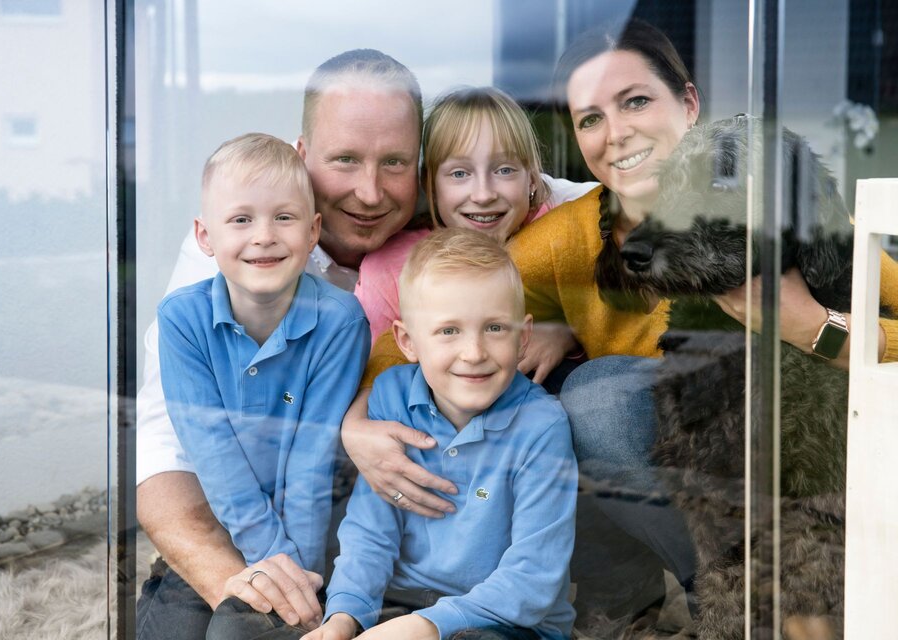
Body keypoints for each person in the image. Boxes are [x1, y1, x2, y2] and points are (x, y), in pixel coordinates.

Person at [340, 19, 898, 637]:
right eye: (590, 118)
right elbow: (423, 330)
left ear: (688, 104)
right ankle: (728, 606)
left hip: (823, 472)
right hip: (699, 484)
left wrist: (815, 327)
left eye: (635, 101)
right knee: (599, 400)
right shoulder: (563, 241)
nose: (617, 133)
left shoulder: (768, 200)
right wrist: (356, 422)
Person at [136, 49, 423, 640]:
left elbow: (551, 188)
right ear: (302, 155)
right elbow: (174, 441)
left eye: (394, 163)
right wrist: (267, 581)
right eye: (345, 159)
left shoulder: (452, 221)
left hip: (366, 523)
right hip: (234, 518)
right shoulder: (215, 268)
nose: (370, 192)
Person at [208, 228, 578, 640]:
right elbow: (372, 529)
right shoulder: (391, 397)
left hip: (499, 621)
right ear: (407, 341)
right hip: (395, 605)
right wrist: (344, 617)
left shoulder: (541, 424)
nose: (474, 352)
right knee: (233, 626)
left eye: (494, 328)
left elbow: (533, 579)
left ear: (523, 336)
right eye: (448, 331)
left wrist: (426, 627)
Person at [156, 132, 370, 634]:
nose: (264, 235)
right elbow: (215, 455)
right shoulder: (181, 321)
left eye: (285, 217)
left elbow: (311, 462)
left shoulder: (340, 321)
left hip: (318, 533)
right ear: (205, 235)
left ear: (313, 230)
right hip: (223, 530)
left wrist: (301, 581)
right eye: (241, 219)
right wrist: (278, 570)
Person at [355, 86, 596, 345]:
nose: (483, 195)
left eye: (504, 170)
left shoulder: (567, 237)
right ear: (430, 186)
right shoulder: (390, 270)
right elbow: (377, 371)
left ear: (533, 180)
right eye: (460, 174)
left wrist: (568, 332)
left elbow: (609, 318)